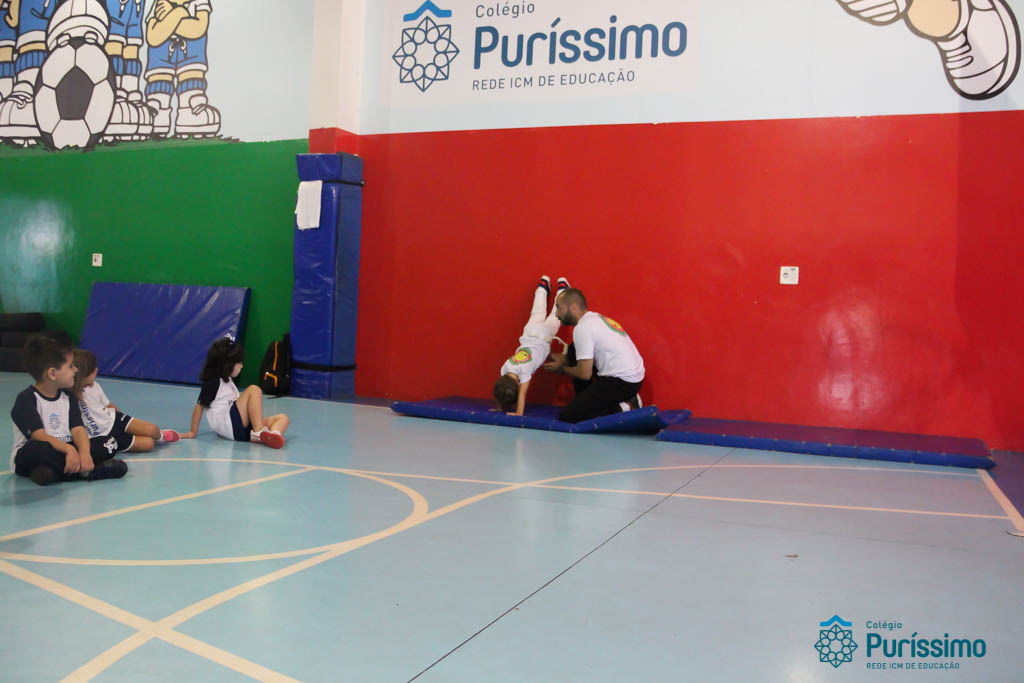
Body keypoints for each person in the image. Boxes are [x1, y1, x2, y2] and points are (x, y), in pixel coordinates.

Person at [9, 335, 128, 486]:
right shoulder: (26, 399)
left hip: (64, 450)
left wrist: (84, 453)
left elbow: (78, 429)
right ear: (52, 374)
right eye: (71, 366)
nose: (76, 370)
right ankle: (88, 472)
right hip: (39, 451)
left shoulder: (69, 396)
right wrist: (69, 450)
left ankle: (53, 473)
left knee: (109, 442)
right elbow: (39, 436)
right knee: (36, 449)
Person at [543, 288, 645, 423]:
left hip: (624, 382)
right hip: (634, 375)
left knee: (569, 416)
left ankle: (628, 406)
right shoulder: (594, 318)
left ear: (574, 308)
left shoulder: (582, 328)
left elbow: (584, 374)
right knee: (574, 351)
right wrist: (552, 355)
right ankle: (585, 402)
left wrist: (561, 369)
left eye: (559, 308)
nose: (556, 314)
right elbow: (575, 357)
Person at [183, 336, 289, 447]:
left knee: (283, 418)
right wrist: (193, 431)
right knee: (254, 389)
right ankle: (258, 432)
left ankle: (274, 435)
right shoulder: (213, 382)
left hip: (239, 427)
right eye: (239, 363)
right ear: (228, 365)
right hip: (229, 425)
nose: (242, 366)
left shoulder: (228, 380)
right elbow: (199, 407)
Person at [71, 348, 180, 454]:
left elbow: (109, 406)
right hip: (103, 437)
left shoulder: (95, 386)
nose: (97, 369)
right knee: (148, 444)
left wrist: (124, 422)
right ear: (83, 375)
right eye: (93, 369)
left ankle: (161, 436)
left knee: (152, 429)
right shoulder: (70, 395)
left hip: (114, 420)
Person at [494, 276, 570, 415]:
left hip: (543, 337)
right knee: (537, 312)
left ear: (518, 385)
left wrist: (518, 413)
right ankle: (542, 287)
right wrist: (499, 407)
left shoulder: (524, 374)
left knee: (554, 316)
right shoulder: (504, 369)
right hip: (529, 333)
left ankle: (563, 289)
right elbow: (500, 389)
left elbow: (522, 395)